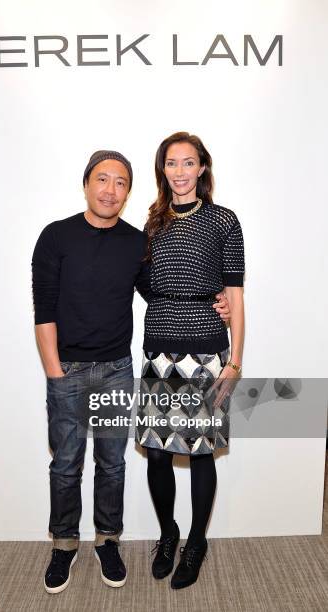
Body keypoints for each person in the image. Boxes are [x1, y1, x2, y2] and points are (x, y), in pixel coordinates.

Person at [31, 149, 231, 594]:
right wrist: (54, 372)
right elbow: (43, 309)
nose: (110, 190)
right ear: (86, 183)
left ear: (128, 191)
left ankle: (107, 542)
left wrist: (220, 302)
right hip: (67, 370)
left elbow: (159, 288)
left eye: (120, 182)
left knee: (112, 464)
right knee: (65, 464)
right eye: (102, 180)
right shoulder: (55, 236)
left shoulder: (134, 241)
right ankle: (64, 545)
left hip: (117, 370)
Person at [136, 132, 245, 590]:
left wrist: (234, 361)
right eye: (171, 163)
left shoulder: (224, 220)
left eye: (189, 163)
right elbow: (143, 281)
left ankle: (197, 541)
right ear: (163, 170)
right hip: (160, 353)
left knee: (201, 456)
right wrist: (170, 302)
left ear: (202, 168)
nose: (180, 171)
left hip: (205, 353)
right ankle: (168, 535)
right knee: (158, 454)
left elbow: (236, 295)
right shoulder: (152, 223)